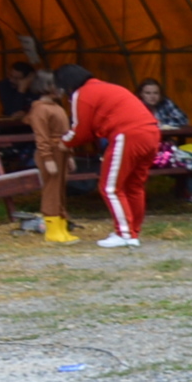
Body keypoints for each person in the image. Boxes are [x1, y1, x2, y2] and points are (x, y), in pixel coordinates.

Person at [55, 66, 158, 249]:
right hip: (151, 132)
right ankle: (132, 231)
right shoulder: (109, 87)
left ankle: (124, 234)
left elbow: (81, 131)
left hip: (127, 134)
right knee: (134, 185)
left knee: (110, 187)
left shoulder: (83, 94)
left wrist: (63, 142)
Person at [26, 74, 73, 241]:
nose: (62, 90)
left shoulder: (58, 107)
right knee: (51, 190)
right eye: (58, 86)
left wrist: (70, 155)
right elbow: (41, 136)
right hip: (51, 153)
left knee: (60, 190)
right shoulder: (40, 109)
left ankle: (61, 224)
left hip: (61, 152)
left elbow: (66, 133)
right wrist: (47, 158)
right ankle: (52, 229)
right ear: (47, 86)